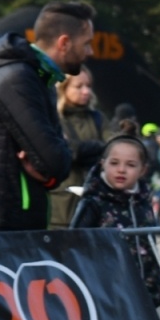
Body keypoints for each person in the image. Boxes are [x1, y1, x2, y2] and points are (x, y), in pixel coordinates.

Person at [0, 1, 95, 233]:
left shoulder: (39, 78)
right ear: (64, 43)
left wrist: (52, 168)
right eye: (87, 43)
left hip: (12, 219)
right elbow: (55, 161)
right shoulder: (18, 79)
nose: (90, 52)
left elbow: (54, 163)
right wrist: (55, 163)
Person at [70, 134, 160, 305]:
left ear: (143, 170)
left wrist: (156, 283)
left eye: (131, 165)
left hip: (144, 290)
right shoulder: (93, 202)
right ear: (102, 164)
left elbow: (150, 247)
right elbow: (74, 244)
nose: (121, 170)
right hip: (106, 294)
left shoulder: (143, 202)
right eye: (114, 163)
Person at [50, 69, 108, 227]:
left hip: (95, 202)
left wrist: (82, 150)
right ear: (64, 88)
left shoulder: (98, 118)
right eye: (79, 86)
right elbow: (67, 150)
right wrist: (98, 147)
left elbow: (113, 148)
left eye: (88, 86)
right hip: (62, 207)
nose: (86, 91)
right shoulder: (53, 117)